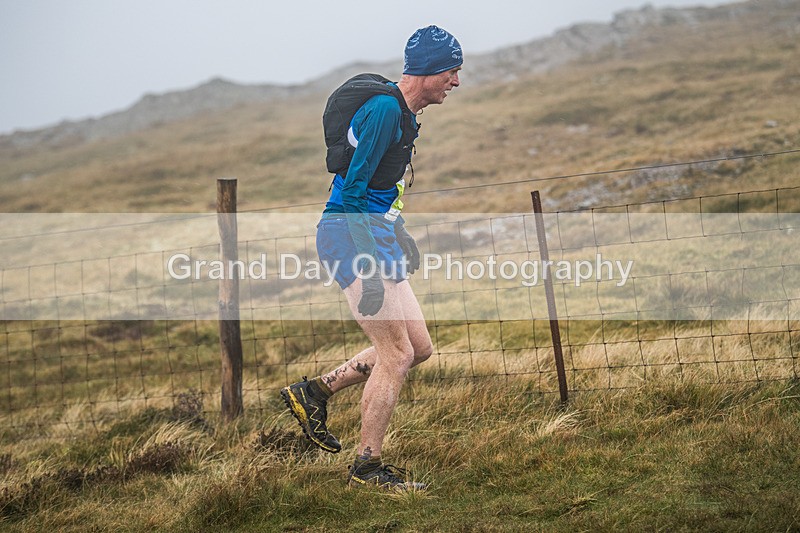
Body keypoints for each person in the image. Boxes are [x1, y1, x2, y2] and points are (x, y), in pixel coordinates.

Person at [281, 25, 462, 491]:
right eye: (452, 71)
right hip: (349, 235)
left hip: (375, 233)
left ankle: (315, 392)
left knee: (417, 347)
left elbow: (382, 190)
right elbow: (355, 192)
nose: (456, 82)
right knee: (396, 353)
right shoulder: (385, 110)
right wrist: (370, 267)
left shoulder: (405, 115)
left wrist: (398, 232)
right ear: (428, 71)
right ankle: (367, 468)